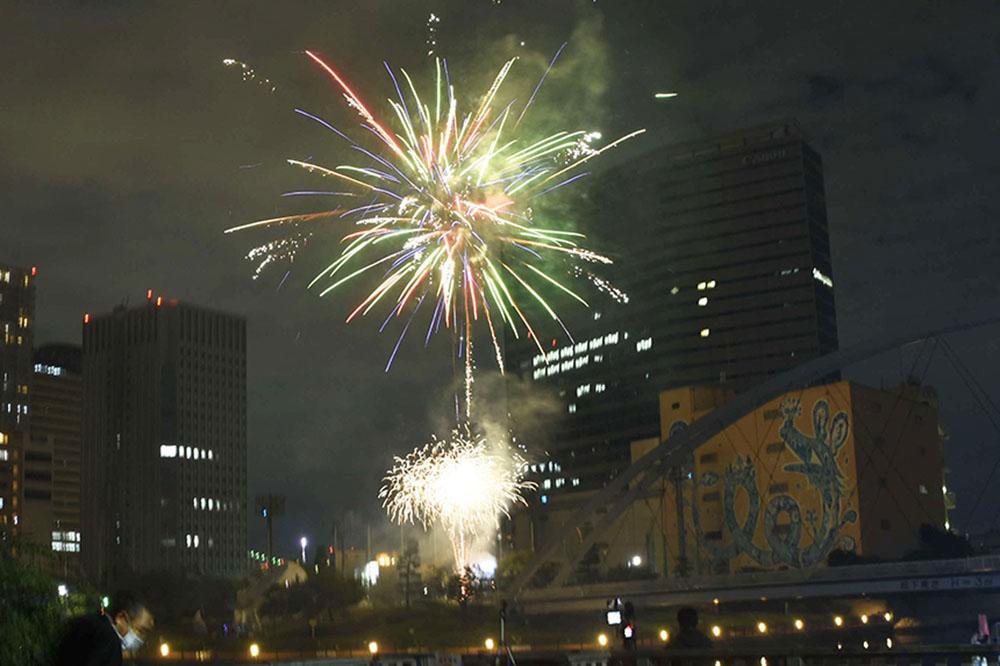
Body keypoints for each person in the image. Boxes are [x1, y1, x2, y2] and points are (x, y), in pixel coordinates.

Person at [53, 590, 154, 666]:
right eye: (140, 630)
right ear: (121, 618)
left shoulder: (86, 624)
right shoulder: (110, 643)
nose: (141, 639)